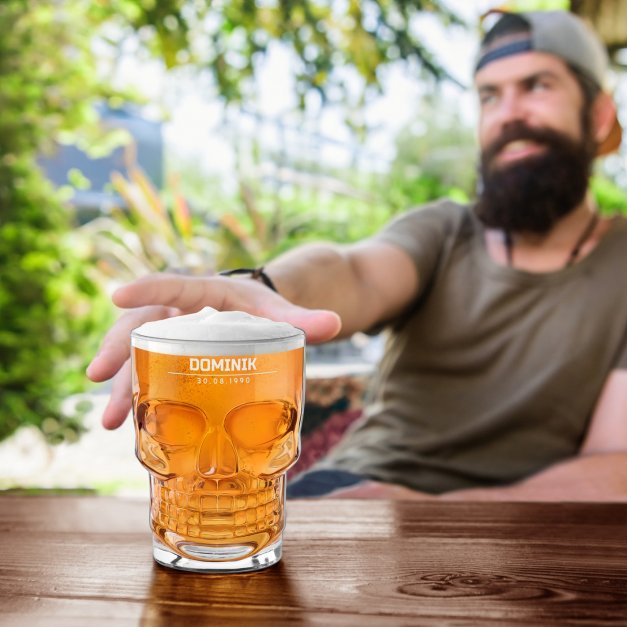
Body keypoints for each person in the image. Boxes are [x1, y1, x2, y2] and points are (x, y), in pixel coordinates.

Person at [87, 10, 627, 502]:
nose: (509, 114)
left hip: (524, 537)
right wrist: (259, 291)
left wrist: (436, 514)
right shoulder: (444, 232)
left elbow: (615, 466)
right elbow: (356, 272)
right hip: (349, 495)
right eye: (489, 96)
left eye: (537, 86)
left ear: (600, 116)